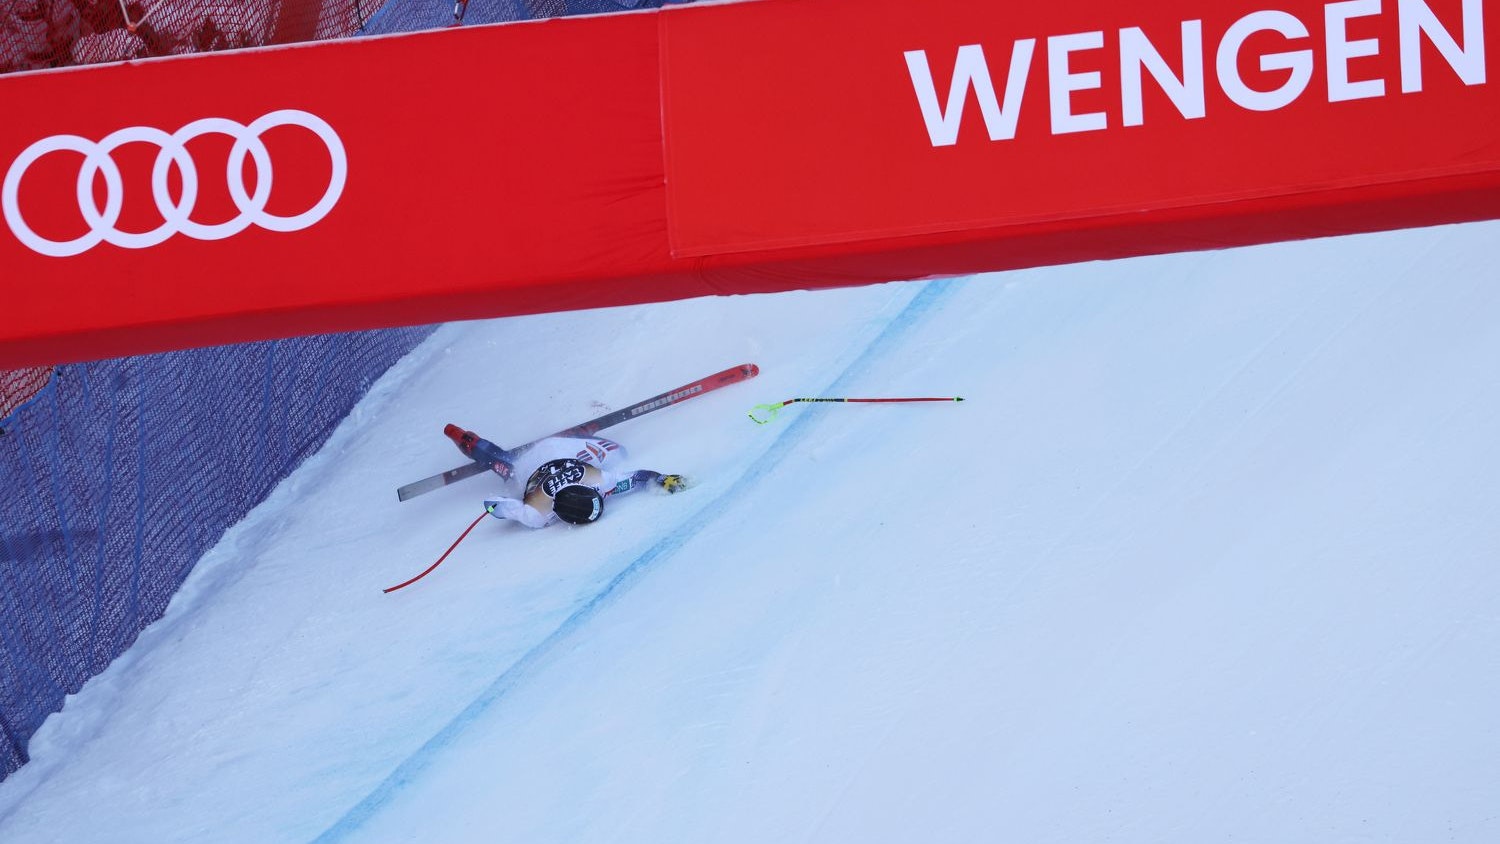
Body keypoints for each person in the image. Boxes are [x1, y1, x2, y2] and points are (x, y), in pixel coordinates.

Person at [444, 424, 687, 528]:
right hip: (546, 458)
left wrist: (662, 479)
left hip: (558, 452)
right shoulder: (536, 514)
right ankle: (473, 444)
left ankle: (471, 443)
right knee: (505, 466)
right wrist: (661, 479)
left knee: (619, 453)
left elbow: (638, 477)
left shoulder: (599, 482)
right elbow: (495, 505)